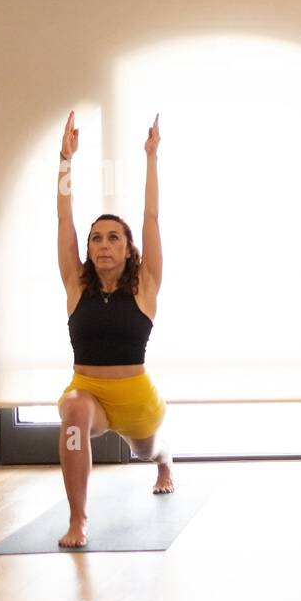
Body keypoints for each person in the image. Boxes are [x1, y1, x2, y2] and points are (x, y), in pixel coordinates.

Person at [55, 111, 173, 548]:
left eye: (113, 238)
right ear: (88, 249)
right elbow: (65, 221)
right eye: (97, 238)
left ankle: (165, 460)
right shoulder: (75, 283)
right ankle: (79, 519)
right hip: (88, 390)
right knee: (72, 412)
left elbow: (152, 217)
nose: (103, 244)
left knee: (148, 450)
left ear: (128, 249)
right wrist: (64, 161)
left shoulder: (145, 285)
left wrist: (151, 158)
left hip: (137, 399)